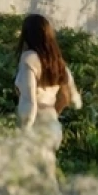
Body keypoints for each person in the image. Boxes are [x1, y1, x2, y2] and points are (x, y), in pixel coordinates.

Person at [14, 13, 81, 150]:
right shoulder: (58, 62)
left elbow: (29, 101)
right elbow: (72, 99)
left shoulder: (29, 59)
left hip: (35, 129)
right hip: (53, 127)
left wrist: (23, 133)